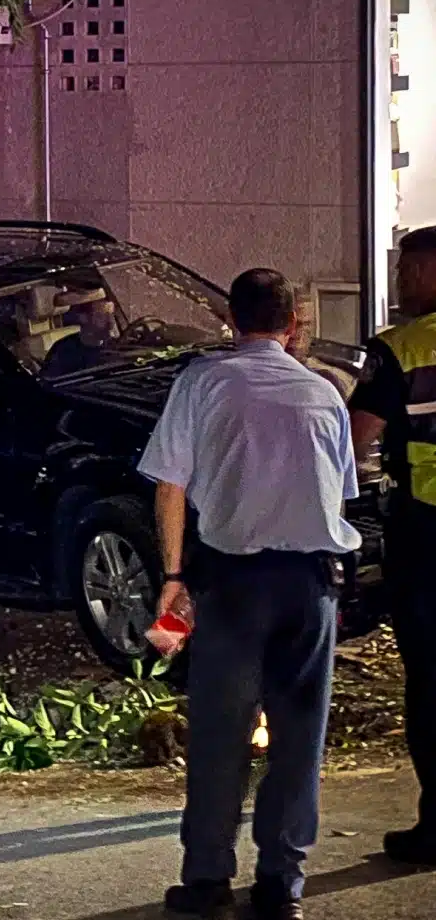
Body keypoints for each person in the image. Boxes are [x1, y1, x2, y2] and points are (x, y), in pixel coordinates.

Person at [139, 268, 360, 920]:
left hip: (234, 584)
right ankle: (282, 886)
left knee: (220, 738)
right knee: (298, 743)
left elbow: (169, 485)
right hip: (311, 586)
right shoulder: (324, 393)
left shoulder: (203, 382)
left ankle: (208, 881)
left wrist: (173, 577)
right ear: (292, 325)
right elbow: (339, 494)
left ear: (230, 321)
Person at [349, 225, 436, 865]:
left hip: (427, 529)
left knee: (430, 679)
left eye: (410, 270)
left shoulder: (399, 347)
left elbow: (354, 438)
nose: (401, 282)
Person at [41, 288, 116, 377]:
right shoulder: (63, 351)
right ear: (83, 318)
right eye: (101, 317)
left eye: (111, 315)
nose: (111, 323)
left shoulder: (117, 347)